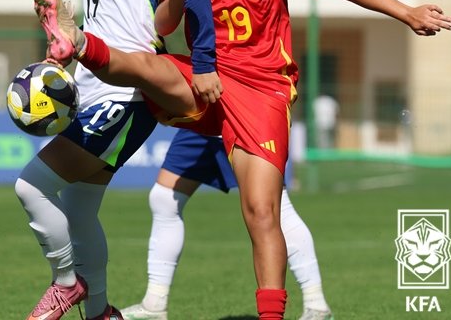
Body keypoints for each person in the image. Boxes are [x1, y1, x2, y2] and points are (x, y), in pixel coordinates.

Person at [34, 0, 451, 319]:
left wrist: (406, 12)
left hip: (261, 94)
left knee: (261, 212)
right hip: (208, 80)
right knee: (148, 66)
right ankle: (79, 42)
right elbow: (162, 26)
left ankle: (287, 310)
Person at [15, 0, 215, 320]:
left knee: (31, 186)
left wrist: (204, 62)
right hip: (93, 93)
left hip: (126, 97)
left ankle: (67, 282)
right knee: (80, 208)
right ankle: (102, 313)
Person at [119, 130, 333, 320]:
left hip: (243, 117)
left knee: (273, 210)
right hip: (203, 119)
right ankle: (154, 304)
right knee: (165, 198)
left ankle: (316, 305)